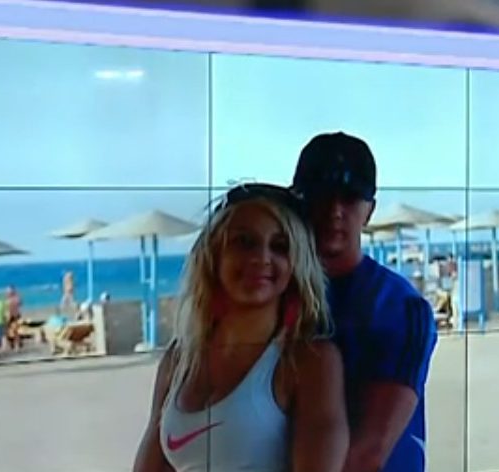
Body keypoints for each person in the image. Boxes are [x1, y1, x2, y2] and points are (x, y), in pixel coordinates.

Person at [133, 183, 349, 472]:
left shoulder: (308, 361)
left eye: (280, 247)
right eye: (244, 242)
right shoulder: (180, 360)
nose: (261, 258)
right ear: (214, 255)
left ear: (295, 265)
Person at [291, 132, 438, 472]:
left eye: (350, 198)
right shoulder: (277, 296)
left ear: (369, 210)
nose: (334, 210)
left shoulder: (400, 308)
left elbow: (368, 452)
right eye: (321, 194)